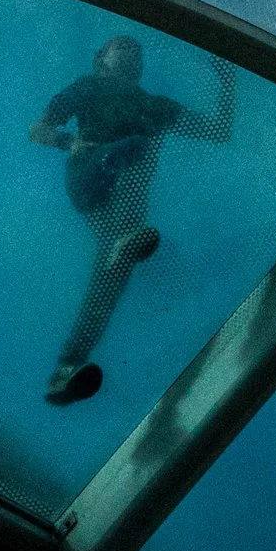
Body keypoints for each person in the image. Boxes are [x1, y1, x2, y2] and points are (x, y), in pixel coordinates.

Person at [28, 36, 234, 406]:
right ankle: (123, 239)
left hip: (124, 210)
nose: (131, 50)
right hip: (92, 177)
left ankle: (67, 368)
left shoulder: (155, 106)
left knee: (111, 277)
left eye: (136, 49)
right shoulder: (87, 87)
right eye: (120, 46)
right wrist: (69, 143)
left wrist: (228, 82)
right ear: (100, 59)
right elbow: (37, 130)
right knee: (138, 144)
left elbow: (219, 131)